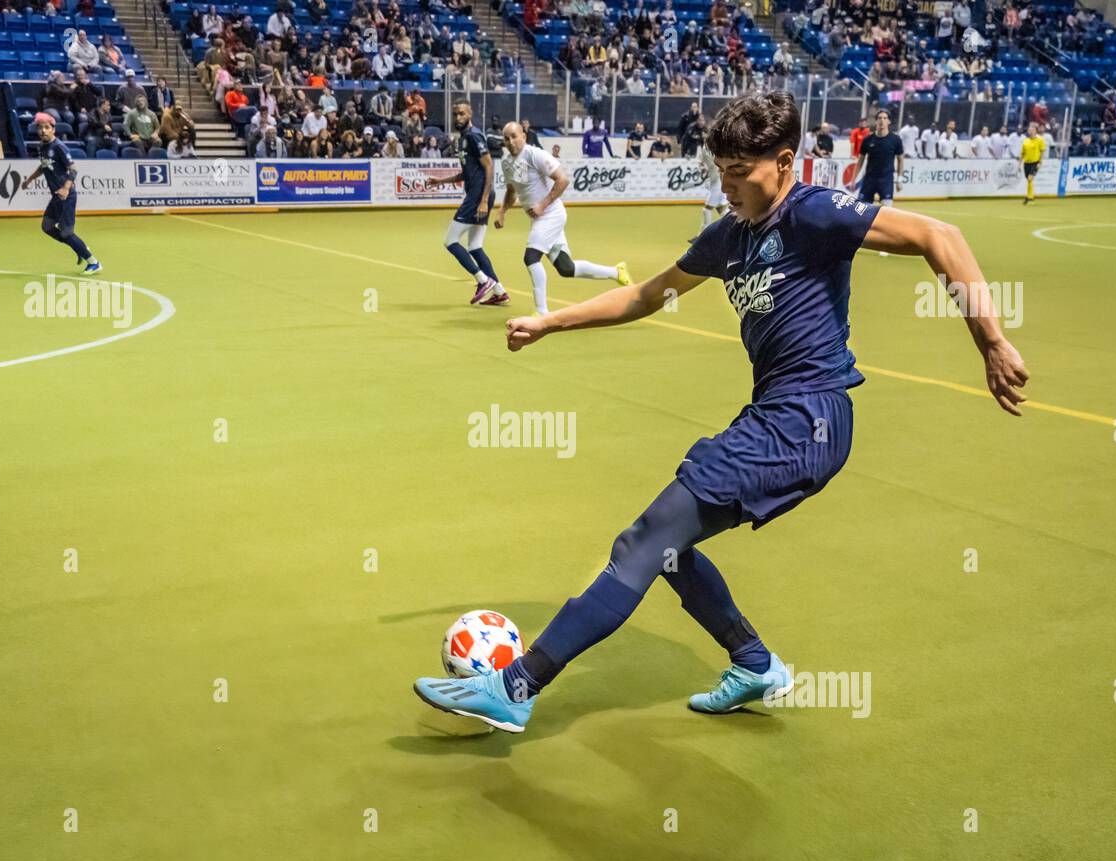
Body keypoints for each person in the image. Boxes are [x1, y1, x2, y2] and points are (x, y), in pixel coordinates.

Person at [412, 91, 1030, 734]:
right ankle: (754, 661)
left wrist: (990, 341)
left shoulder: (814, 214)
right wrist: (550, 321)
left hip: (807, 418)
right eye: (722, 173)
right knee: (671, 552)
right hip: (775, 417)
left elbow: (941, 235)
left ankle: (517, 685)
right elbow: (648, 295)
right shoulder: (728, 238)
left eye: (741, 174)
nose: (728, 187)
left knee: (643, 541)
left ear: (785, 162)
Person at [495, 121, 631, 316]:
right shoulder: (507, 163)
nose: (510, 141)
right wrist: (502, 212)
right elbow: (511, 190)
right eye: (506, 138)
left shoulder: (535, 154)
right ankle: (616, 272)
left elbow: (562, 179)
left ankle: (541, 312)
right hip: (539, 219)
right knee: (567, 268)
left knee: (531, 257)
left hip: (552, 215)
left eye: (514, 136)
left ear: (523, 136)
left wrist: (543, 204)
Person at [425, 101, 508, 306]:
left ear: (470, 114)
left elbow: (489, 166)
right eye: (455, 114)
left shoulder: (474, 135)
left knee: (450, 241)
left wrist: (482, 200)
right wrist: (440, 181)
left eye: (461, 114)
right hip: (478, 195)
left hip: (478, 197)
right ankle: (499, 291)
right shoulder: (463, 139)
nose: (457, 118)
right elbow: (467, 173)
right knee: (475, 246)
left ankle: (482, 280)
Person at [22, 113, 100, 274]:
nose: (43, 131)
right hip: (56, 196)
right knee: (47, 226)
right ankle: (79, 248)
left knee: (66, 232)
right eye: (40, 128)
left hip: (67, 196)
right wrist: (29, 180)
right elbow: (44, 166)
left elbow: (73, 169)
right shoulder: (42, 147)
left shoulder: (59, 146)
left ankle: (93, 262)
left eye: (47, 127)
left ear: (53, 129)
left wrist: (66, 188)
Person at [850, 109, 905, 205]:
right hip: (869, 180)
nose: (882, 120)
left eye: (885, 118)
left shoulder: (895, 140)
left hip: (886, 180)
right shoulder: (867, 140)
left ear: (889, 121)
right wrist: (853, 180)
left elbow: (901, 160)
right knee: (862, 210)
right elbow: (860, 162)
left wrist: (899, 180)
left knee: (887, 210)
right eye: (879, 118)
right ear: (876, 121)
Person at [1020, 121, 1046, 204]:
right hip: (1026, 162)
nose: (1030, 131)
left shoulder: (1039, 140)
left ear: (1035, 131)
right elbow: (1022, 153)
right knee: (1028, 180)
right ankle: (1030, 196)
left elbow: (1042, 152)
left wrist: (1040, 162)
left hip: (1035, 162)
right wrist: (1019, 163)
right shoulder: (1026, 140)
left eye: (1032, 129)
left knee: (1030, 178)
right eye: (1029, 129)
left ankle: (1029, 198)